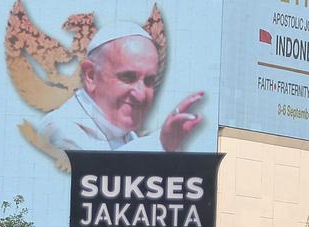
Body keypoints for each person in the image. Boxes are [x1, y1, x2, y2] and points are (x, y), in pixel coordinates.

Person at [37, 22, 204, 152]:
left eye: (149, 81)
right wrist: (161, 143)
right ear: (91, 76)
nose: (140, 95)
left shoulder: (127, 137)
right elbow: (100, 178)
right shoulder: (58, 128)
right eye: (128, 77)